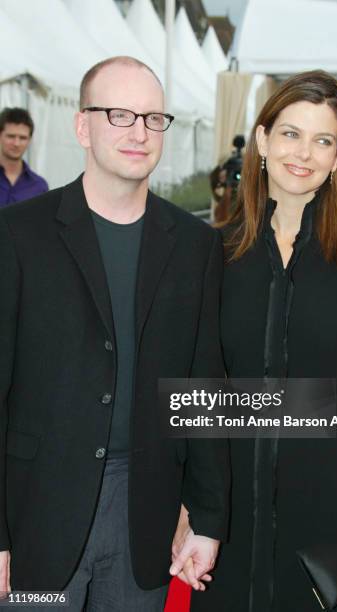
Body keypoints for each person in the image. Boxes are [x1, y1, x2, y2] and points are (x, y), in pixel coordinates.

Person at [0, 56, 229, 611]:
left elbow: (203, 383)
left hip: (145, 511)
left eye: (153, 118)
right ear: (83, 126)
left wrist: (207, 516)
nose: (139, 132)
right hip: (38, 511)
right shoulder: (18, 235)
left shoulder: (195, 245)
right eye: (119, 114)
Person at [190, 70, 337, 611]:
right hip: (232, 505)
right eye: (290, 133)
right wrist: (189, 512)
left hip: (330, 505)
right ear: (262, 140)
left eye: (323, 140)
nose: (304, 153)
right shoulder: (217, 253)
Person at [0, 107, 48, 206]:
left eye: (22, 138)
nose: (16, 143)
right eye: (11, 136)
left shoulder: (39, 186)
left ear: (29, 140)